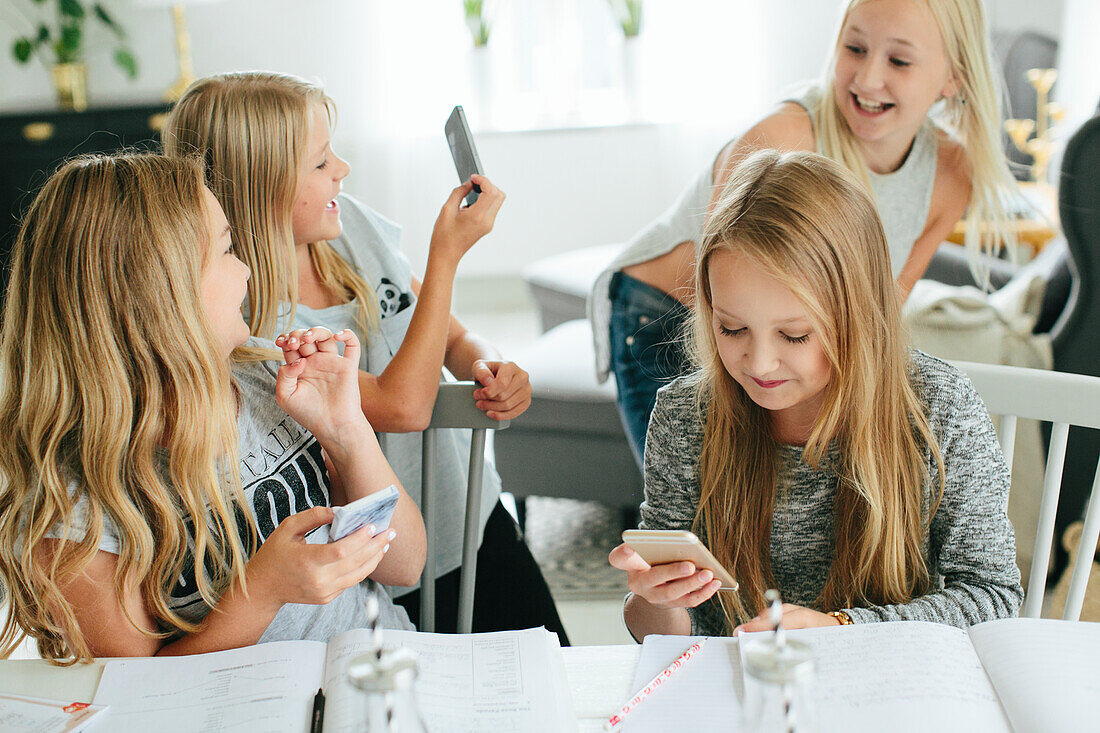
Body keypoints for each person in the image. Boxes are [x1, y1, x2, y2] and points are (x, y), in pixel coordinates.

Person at [163, 72, 566, 641]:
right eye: (321, 161)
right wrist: (447, 253)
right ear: (264, 183)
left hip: (469, 513)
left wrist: (486, 362)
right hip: (391, 558)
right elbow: (404, 407)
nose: (342, 171)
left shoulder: (350, 227)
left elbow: (449, 336)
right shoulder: (244, 327)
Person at [0, 153, 426, 662]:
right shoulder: (71, 500)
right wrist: (261, 592)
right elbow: (138, 689)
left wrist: (346, 430)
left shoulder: (268, 377)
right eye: (227, 251)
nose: (247, 269)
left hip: (379, 669)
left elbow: (405, 565)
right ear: (161, 295)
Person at [608, 150, 1023, 640]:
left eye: (796, 335)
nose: (759, 363)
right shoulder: (685, 416)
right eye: (732, 328)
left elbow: (992, 596)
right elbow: (660, 632)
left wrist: (842, 629)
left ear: (859, 316)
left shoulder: (939, 410)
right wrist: (655, 599)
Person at [590, 0, 1020, 467]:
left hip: (770, 331)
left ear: (953, 76)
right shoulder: (785, 137)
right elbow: (720, 291)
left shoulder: (953, 174)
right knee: (703, 504)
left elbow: (880, 313)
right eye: (854, 48)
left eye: (898, 60)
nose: (868, 78)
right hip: (673, 310)